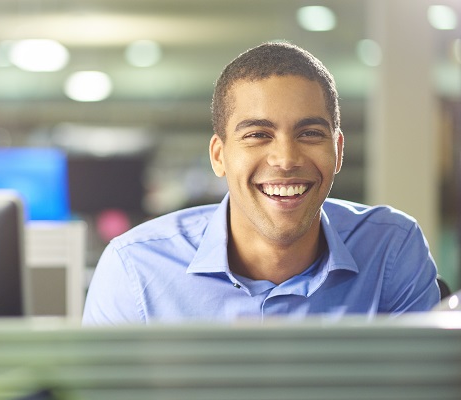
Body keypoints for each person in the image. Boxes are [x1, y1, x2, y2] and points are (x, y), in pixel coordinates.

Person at [82, 41, 440, 325]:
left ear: (338, 150)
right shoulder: (135, 267)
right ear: (219, 156)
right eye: (257, 134)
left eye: (310, 133)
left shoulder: (391, 248)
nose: (285, 159)